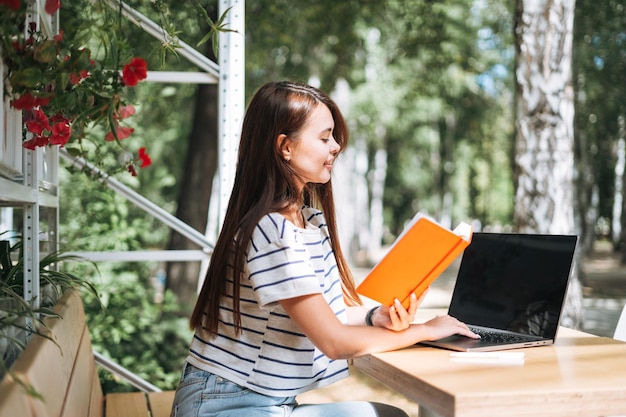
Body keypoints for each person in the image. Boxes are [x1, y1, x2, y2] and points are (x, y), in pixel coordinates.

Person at [169, 81, 478, 417]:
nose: (336, 147)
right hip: (224, 404)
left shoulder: (308, 223)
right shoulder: (272, 231)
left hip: (266, 401)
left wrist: (376, 317)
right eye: (324, 137)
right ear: (285, 147)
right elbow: (333, 341)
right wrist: (427, 331)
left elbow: (322, 313)